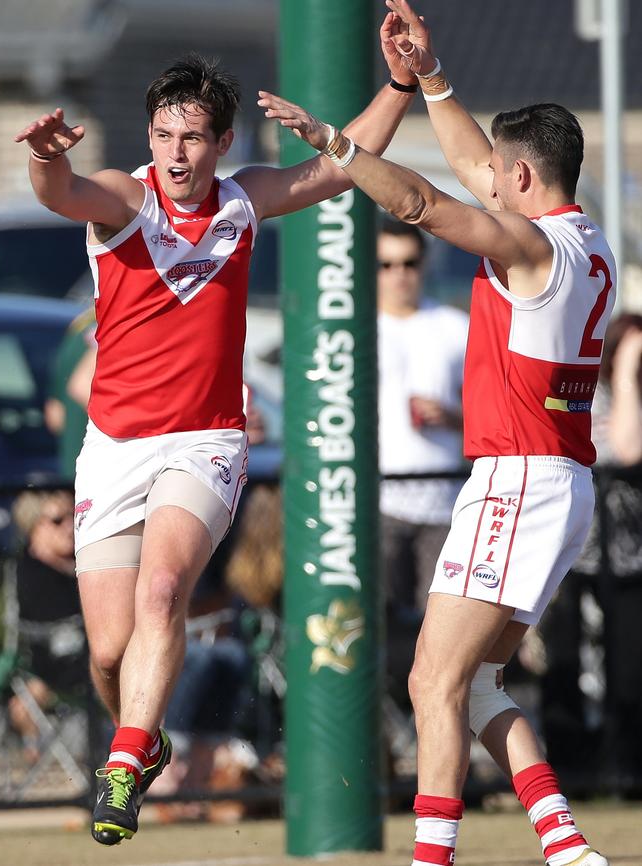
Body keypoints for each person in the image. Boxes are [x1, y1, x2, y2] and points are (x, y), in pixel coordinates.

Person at [14, 17, 417, 845]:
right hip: (114, 451)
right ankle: (146, 734)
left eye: (192, 137)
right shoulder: (127, 202)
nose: (175, 152)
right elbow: (60, 193)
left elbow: (341, 170)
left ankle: (124, 766)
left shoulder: (244, 198)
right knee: (108, 651)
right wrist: (46, 154)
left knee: (165, 592)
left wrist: (404, 84)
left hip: (203, 443)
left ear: (222, 140)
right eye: (163, 134)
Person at [259, 2, 616, 864]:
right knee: (481, 683)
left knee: (433, 680)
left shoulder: (528, 248)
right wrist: (433, 77)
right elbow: (462, 162)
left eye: (495, 170)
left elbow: (420, 199)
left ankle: (431, 860)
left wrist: (337, 146)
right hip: (558, 481)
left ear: (521, 180)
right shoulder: (585, 237)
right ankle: (566, 848)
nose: (480, 175)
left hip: (518, 479)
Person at [540, 313, 642, 792]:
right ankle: (571, 770)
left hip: (628, 558)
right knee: (566, 660)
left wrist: (628, 379)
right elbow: (616, 450)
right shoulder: (586, 391)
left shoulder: (629, 398)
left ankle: (625, 768)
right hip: (572, 550)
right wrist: (620, 373)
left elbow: (628, 445)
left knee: (628, 665)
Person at [376, 217, 468, 716]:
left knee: (443, 634)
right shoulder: (353, 327)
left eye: (408, 263)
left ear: (424, 265)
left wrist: (452, 416)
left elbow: (494, 415)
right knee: (381, 631)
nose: (398, 275)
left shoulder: (455, 328)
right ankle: (394, 743)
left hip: (443, 503)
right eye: (385, 265)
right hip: (380, 501)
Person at [8, 490, 86, 762]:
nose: (68, 527)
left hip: (82, 662)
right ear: (34, 526)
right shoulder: (31, 573)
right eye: (57, 520)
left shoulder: (83, 565)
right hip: (60, 665)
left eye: (72, 517)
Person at [44, 307, 96, 482]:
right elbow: (82, 386)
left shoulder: (78, 327)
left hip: (72, 471)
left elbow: (55, 416)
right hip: (102, 468)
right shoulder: (112, 325)